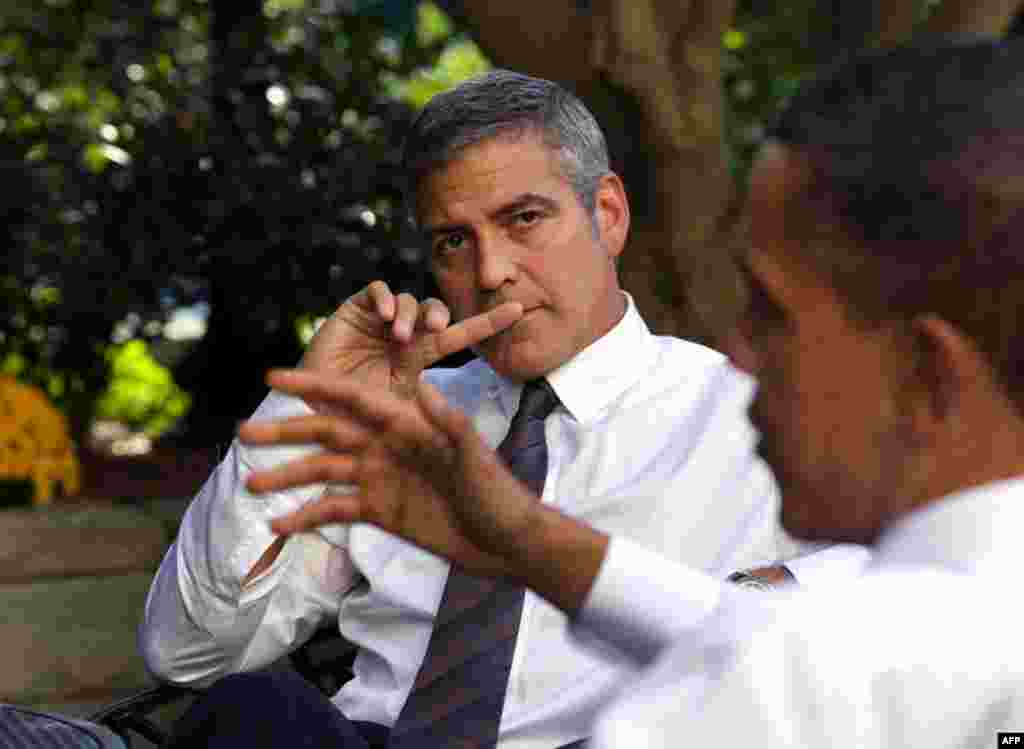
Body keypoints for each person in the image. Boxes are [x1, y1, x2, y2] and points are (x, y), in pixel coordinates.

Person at [240, 38, 1024, 748]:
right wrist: (535, 543)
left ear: (927, 372)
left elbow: (790, 663)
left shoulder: (803, 677)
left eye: (771, 316)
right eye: (454, 240)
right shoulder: (921, 629)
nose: (741, 358)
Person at [140, 69, 864, 748]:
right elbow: (186, 653)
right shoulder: (400, 417)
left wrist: (750, 599)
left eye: (523, 219)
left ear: (608, 215)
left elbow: (926, 618)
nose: (489, 273)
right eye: (455, 241)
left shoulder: (750, 412)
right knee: (252, 710)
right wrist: (294, 412)